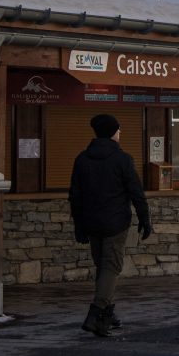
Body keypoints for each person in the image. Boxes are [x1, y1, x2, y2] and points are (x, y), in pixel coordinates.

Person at [69, 113, 151, 337]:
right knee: (111, 267)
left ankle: (106, 313)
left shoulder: (82, 159)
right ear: (113, 132)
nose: (120, 132)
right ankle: (95, 315)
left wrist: (79, 225)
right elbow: (136, 192)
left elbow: (75, 196)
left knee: (103, 268)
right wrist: (145, 219)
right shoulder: (122, 159)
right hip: (116, 223)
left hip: (91, 222)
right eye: (119, 129)